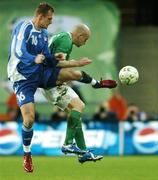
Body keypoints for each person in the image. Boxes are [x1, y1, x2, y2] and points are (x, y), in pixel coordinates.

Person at [7, 3, 116, 172]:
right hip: (22, 78)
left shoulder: (44, 34)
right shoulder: (24, 27)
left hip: (40, 73)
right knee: (29, 120)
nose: (51, 22)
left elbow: (49, 59)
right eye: (49, 19)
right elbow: (18, 51)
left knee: (77, 103)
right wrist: (34, 58)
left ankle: (81, 150)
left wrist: (53, 58)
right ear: (40, 16)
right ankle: (27, 155)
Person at [42, 23, 117, 160]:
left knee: (77, 110)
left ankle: (83, 152)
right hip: (48, 79)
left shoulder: (62, 37)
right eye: (85, 39)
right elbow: (57, 63)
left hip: (50, 81)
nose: (85, 43)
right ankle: (68, 144)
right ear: (80, 35)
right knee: (76, 74)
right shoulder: (66, 40)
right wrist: (77, 63)